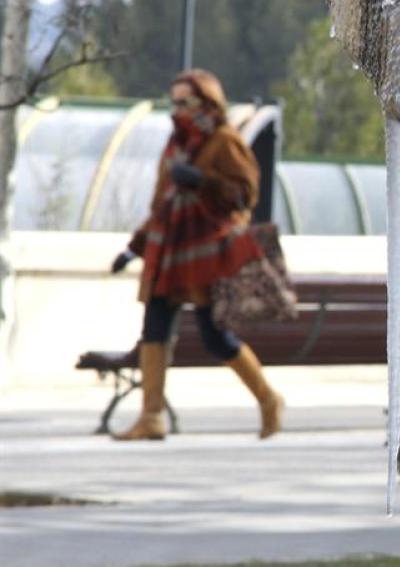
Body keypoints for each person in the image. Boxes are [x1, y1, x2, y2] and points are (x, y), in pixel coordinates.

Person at [110, 69, 284, 441]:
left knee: (214, 336)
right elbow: (162, 206)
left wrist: (203, 181)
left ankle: (269, 399)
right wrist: (132, 248)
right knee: (154, 329)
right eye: (173, 102)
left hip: (205, 255)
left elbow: (246, 195)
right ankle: (151, 416)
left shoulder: (224, 141)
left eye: (184, 102)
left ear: (206, 102)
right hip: (168, 252)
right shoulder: (174, 146)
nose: (177, 110)